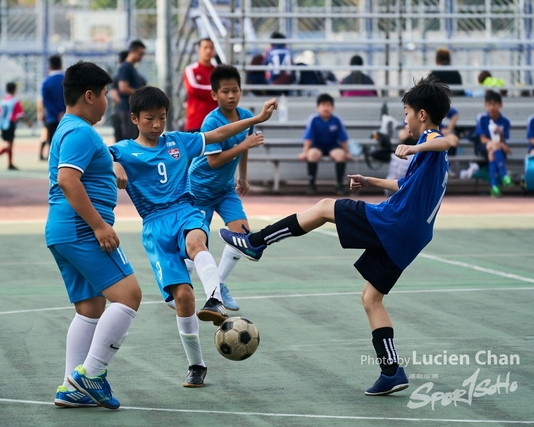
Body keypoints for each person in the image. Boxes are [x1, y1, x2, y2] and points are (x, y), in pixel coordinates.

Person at [220, 75, 453, 397]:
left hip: (395, 223)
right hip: (410, 236)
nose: (406, 120)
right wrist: (370, 180)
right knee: (371, 298)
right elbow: (404, 187)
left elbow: (445, 141)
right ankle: (391, 370)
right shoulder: (430, 159)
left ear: (422, 114)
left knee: (325, 207)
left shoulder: (431, 142)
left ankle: (256, 242)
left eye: (407, 113)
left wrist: (415, 145)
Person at [109, 86, 276, 387]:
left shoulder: (177, 142)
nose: (157, 125)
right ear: (134, 118)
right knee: (183, 297)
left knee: (196, 242)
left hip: (186, 210)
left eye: (162, 117)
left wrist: (257, 119)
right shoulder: (123, 150)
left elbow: (219, 134)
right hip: (155, 225)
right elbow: (101, 158)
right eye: (150, 119)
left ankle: (214, 299)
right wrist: (115, 164)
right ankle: (197, 365)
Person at [45, 61, 142, 409]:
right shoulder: (81, 131)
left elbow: (81, 172)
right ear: (89, 96)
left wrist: (110, 166)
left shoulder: (70, 127)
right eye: (104, 94)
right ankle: (92, 374)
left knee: (90, 308)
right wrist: (100, 225)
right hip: (80, 228)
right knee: (129, 294)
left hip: (64, 230)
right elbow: (68, 179)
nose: (107, 100)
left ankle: (72, 385)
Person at [186, 65, 265, 312]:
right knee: (195, 244)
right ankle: (176, 285)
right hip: (199, 190)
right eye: (225, 91)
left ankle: (218, 285)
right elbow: (213, 160)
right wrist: (245, 146)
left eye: (235, 90)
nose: (231, 96)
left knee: (243, 237)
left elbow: (245, 148)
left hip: (225, 190)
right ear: (214, 95)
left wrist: (243, 177)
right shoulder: (211, 121)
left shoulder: (246, 117)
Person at [298, 93, 351, 195]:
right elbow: (308, 138)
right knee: (312, 155)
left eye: (328, 105)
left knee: (340, 155)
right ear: (318, 107)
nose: (326, 108)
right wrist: (305, 152)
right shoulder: (313, 120)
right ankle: (312, 184)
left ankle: (339, 184)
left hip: (333, 145)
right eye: (323, 105)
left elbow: (343, 138)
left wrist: (347, 152)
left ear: (332, 107)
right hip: (317, 145)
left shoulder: (336, 120)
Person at [474, 90, 513, 197]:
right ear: (485, 105)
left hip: (497, 150)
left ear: (500, 105)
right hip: (482, 146)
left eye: (494, 104)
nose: (491, 107)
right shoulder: (482, 118)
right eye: (489, 104)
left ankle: (494, 188)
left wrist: (500, 134)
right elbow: (482, 139)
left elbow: (503, 140)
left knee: (493, 152)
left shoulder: (505, 121)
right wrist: (500, 145)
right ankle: (505, 175)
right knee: (493, 147)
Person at [0, 82, 33, 170]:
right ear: (14, 90)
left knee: (10, 144)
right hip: (10, 124)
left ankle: (10, 163)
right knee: (9, 145)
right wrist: (28, 122)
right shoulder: (15, 101)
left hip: (2, 125)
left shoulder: (2, 101)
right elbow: (21, 114)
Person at [183, 38, 219, 132]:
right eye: (205, 47)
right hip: (195, 121)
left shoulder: (219, 71)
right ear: (198, 50)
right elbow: (192, 90)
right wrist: (215, 92)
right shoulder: (191, 69)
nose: (208, 50)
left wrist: (203, 93)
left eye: (211, 48)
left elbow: (223, 91)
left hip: (216, 121)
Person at [114, 40, 147, 141]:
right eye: (140, 54)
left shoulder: (131, 68)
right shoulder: (125, 67)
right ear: (132, 51)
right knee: (130, 138)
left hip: (131, 108)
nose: (141, 57)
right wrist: (140, 95)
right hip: (126, 109)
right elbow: (123, 87)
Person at [40, 55, 66, 160]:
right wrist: (64, 112)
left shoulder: (46, 82)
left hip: (51, 118)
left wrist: (56, 113)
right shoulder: (67, 80)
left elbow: (46, 102)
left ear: (49, 67)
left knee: (53, 144)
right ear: (61, 65)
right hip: (67, 117)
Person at [110, 50, 129, 142]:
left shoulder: (117, 77)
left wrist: (122, 103)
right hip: (133, 111)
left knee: (120, 139)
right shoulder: (138, 77)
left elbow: (114, 95)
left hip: (120, 111)